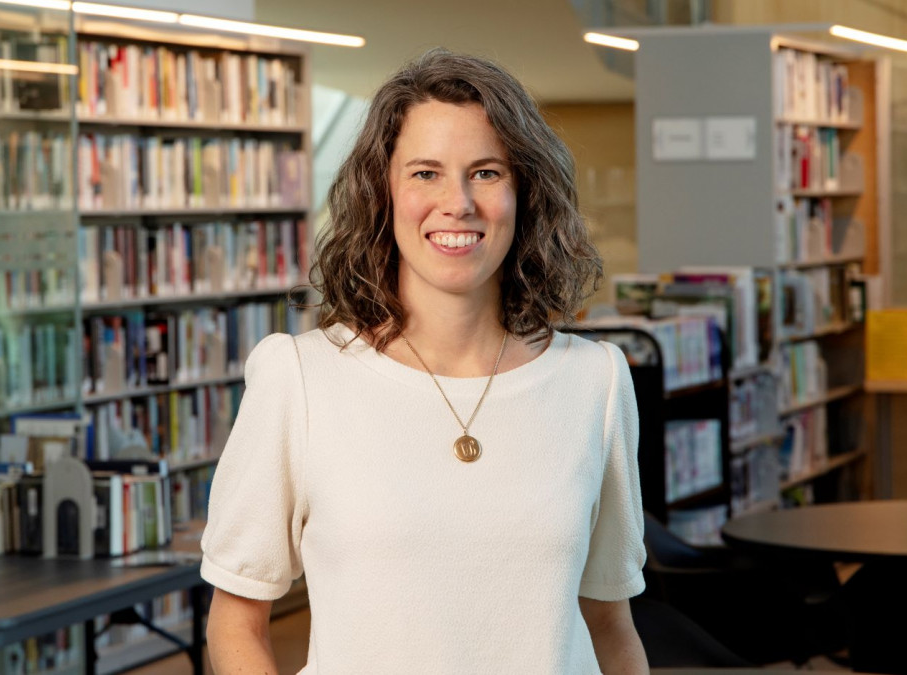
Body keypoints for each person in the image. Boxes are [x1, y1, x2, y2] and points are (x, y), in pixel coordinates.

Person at [200, 48, 648, 674]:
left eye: (486, 172)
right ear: (382, 192)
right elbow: (236, 622)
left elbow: (610, 625)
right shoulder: (298, 377)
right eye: (425, 173)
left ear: (525, 192)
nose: (457, 202)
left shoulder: (594, 382)